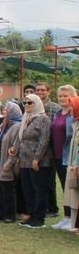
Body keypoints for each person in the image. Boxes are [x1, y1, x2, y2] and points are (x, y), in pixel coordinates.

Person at [13, 94, 53, 228]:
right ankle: (31, 215)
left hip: (38, 161)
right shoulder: (26, 118)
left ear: (37, 104)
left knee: (39, 190)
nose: (26, 105)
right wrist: (15, 151)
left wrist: (37, 158)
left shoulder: (43, 119)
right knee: (28, 189)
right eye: (24, 103)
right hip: (24, 160)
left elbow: (44, 140)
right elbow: (21, 138)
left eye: (30, 103)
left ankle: (39, 218)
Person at [0, 100, 22, 223]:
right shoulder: (3, 125)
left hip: (7, 162)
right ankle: (0, 213)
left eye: (7, 110)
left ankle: (9, 215)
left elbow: (15, 147)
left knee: (8, 190)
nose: (4, 112)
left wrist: (9, 163)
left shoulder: (16, 126)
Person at [51, 86, 78, 229]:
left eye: (65, 95)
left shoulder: (74, 114)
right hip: (57, 156)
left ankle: (72, 218)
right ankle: (66, 217)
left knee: (70, 189)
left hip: (69, 156)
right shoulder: (57, 113)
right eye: (60, 95)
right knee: (63, 188)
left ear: (73, 97)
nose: (62, 98)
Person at [62, 96, 79, 232]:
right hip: (73, 164)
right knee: (73, 195)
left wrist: (77, 163)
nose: (70, 109)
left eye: (72, 106)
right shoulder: (75, 123)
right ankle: (74, 224)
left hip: (76, 164)